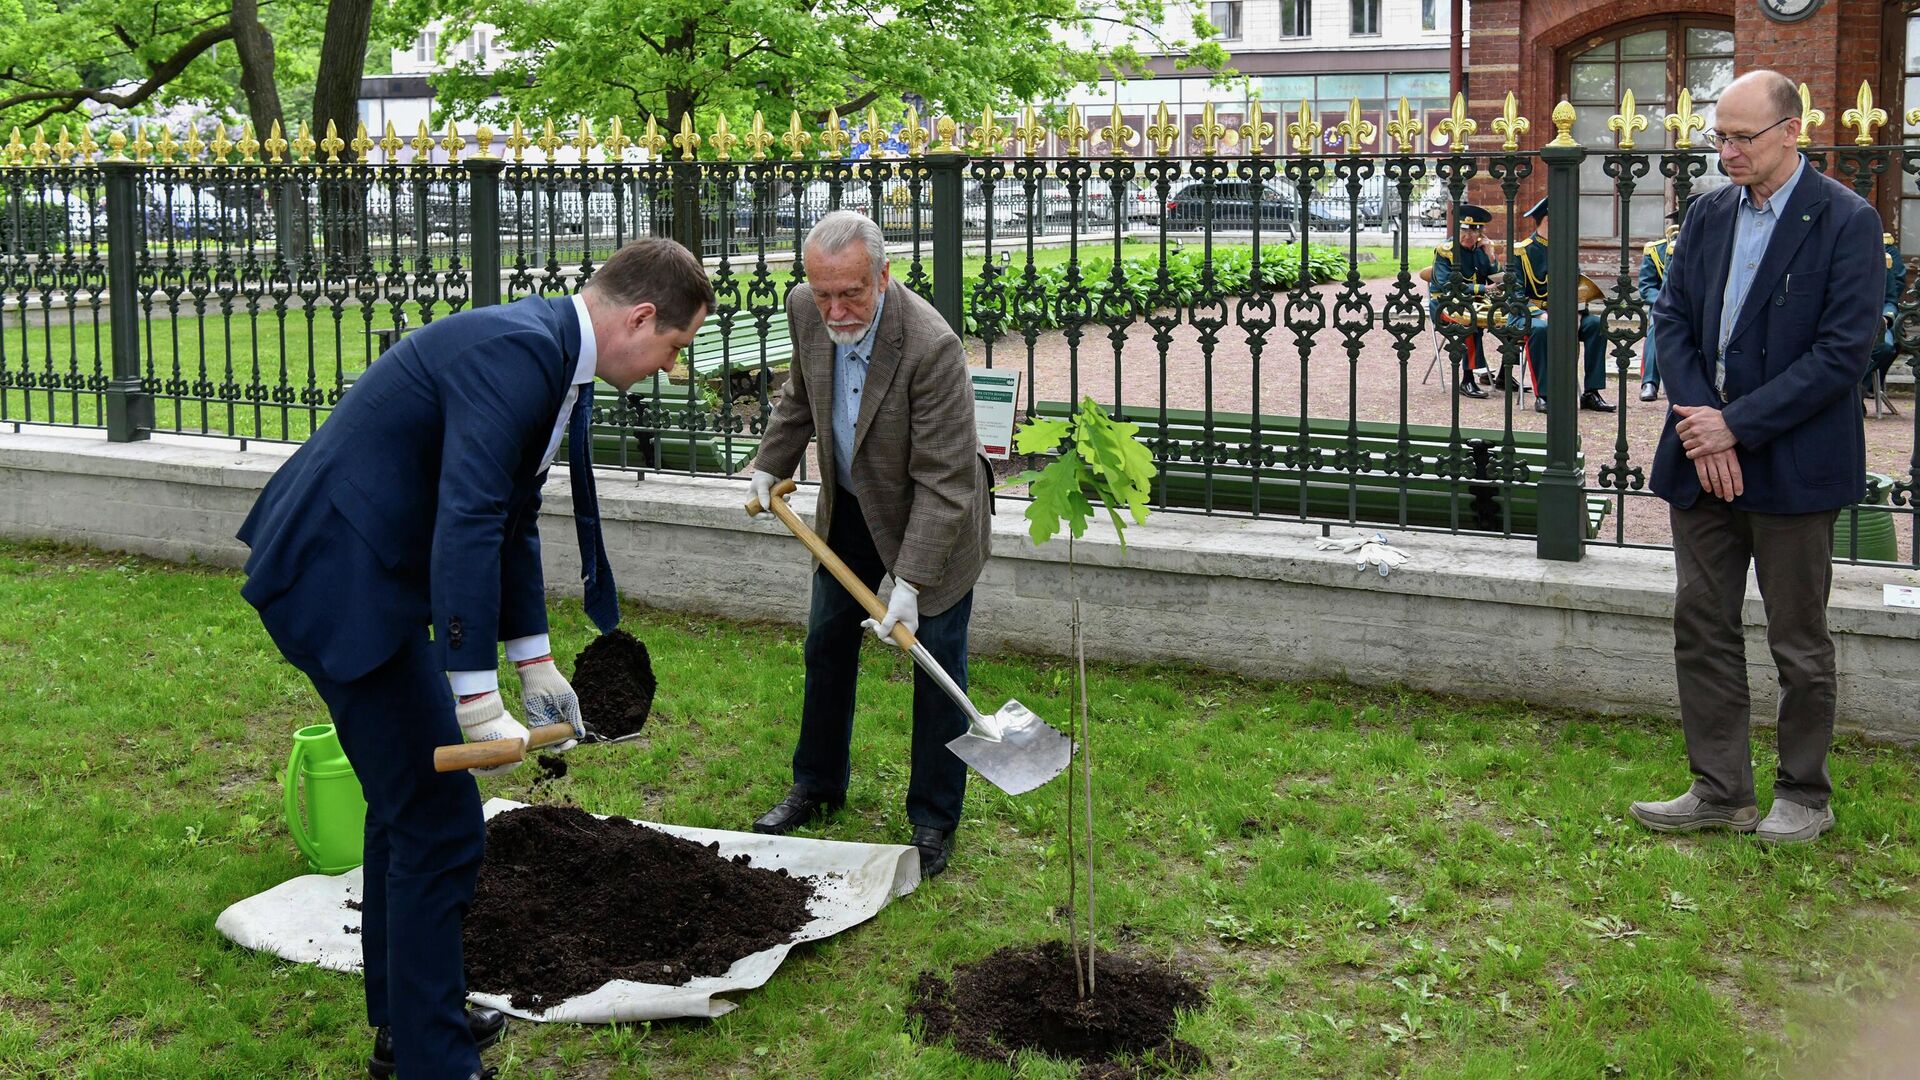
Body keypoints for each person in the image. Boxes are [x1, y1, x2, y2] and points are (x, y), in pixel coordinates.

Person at [236, 238, 713, 1079]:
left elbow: (510, 516)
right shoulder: (521, 355)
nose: (671, 367)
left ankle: (409, 1025)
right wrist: (472, 694)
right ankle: (431, 1060)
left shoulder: (551, 356)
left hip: (363, 571)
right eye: (675, 346)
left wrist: (533, 662)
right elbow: (466, 517)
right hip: (338, 575)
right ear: (641, 318)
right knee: (440, 823)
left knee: (406, 807)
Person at [1629, 69, 1883, 845]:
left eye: (1743, 137)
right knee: (1700, 624)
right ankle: (1719, 790)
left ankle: (1803, 794)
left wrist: (1734, 426)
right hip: (1703, 457)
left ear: (1790, 132)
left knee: (1797, 640)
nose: (1727, 151)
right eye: (1720, 137)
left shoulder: (1846, 219)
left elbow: (1843, 353)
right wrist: (1704, 423)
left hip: (1793, 462)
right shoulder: (1708, 214)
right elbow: (1670, 321)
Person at [745, 210, 993, 878]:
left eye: (851, 293)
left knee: (935, 660)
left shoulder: (931, 346)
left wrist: (909, 585)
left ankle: (934, 818)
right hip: (852, 503)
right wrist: (772, 462)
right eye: (823, 293)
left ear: (884, 276)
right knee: (827, 642)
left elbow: (946, 484)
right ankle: (817, 784)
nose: (835, 308)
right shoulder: (807, 309)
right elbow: (804, 392)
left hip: (932, 516)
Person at [1506, 197, 1614, 413]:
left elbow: (1576, 285)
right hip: (1529, 314)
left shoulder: (1566, 247)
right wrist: (1539, 313)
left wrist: (1579, 310)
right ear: (1547, 220)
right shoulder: (1521, 251)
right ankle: (1543, 395)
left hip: (1564, 312)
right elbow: (1514, 293)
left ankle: (1591, 392)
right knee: (1541, 329)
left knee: (1595, 325)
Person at [1430, 203, 1500, 398]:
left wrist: (1491, 256)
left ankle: (1503, 375)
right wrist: (1482, 288)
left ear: (1480, 233)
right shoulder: (1445, 251)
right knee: (1470, 322)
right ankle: (1467, 379)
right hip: (1446, 305)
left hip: (1479, 303)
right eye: (1464, 230)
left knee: (1512, 319)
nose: (1467, 236)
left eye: (1473, 231)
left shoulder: (1482, 249)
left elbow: (1497, 277)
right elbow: (1447, 286)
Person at [1638, 204, 1688, 402]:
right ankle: (1649, 382)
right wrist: (1663, 301)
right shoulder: (1655, 250)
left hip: (1691, 305)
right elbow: (1646, 287)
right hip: (1663, 304)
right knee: (1657, 324)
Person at [1861, 231, 1907, 411]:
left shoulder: (1883, 259)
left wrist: (1887, 317)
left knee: (1886, 346)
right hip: (1847, 321)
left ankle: (1860, 388)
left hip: (1875, 322)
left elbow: (1890, 299)